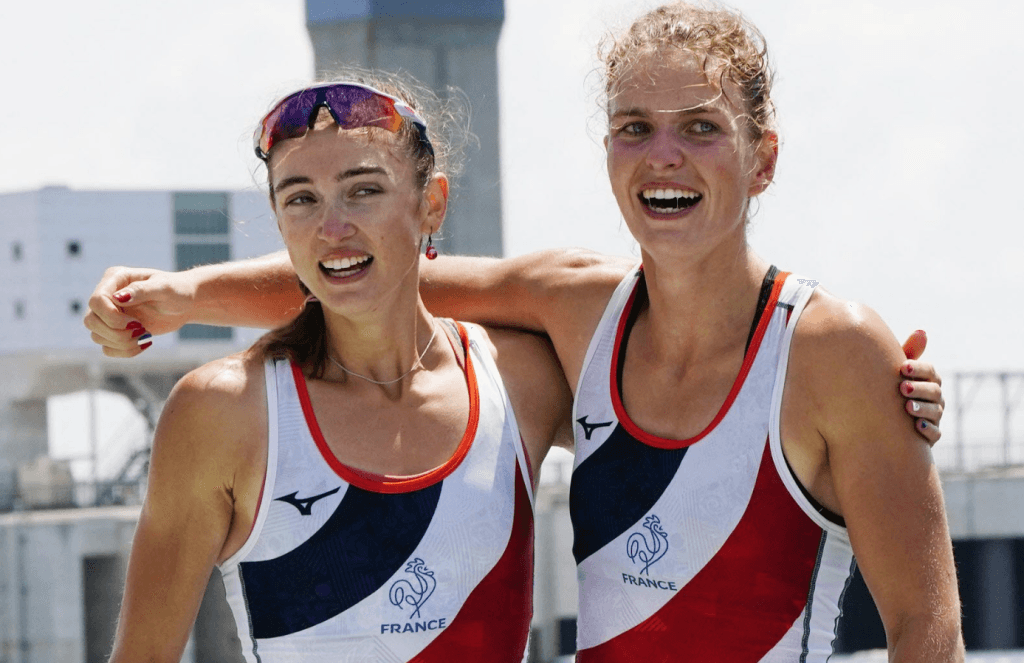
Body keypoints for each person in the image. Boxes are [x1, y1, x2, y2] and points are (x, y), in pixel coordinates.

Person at [86, 4, 959, 661]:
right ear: (607, 148)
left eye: (701, 129)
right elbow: (370, 275)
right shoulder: (576, 317)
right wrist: (180, 295)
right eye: (634, 129)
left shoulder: (832, 354)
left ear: (763, 157)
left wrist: (889, 388)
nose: (664, 156)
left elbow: (927, 628)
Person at [104, 74, 573, 663]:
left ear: (431, 204)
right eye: (302, 199)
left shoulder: (521, 380)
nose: (332, 228)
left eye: (363, 191)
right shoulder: (225, 412)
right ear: (279, 224)